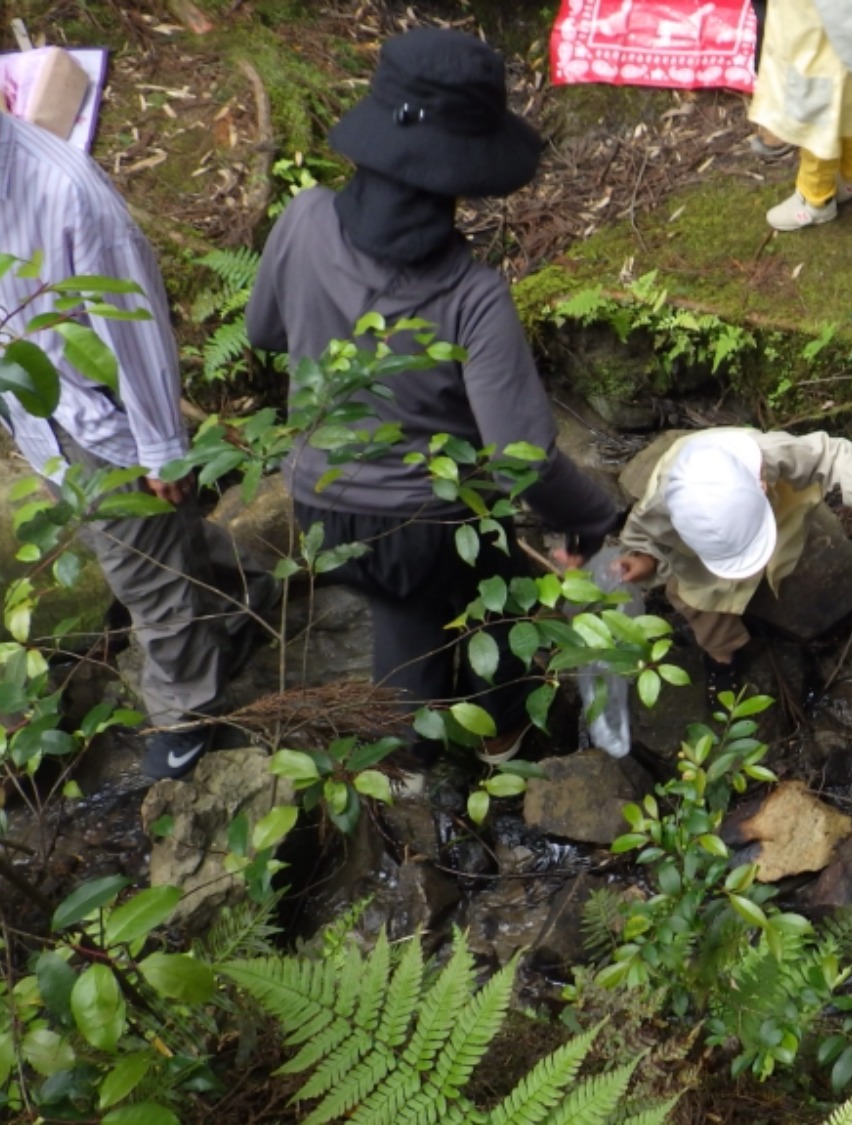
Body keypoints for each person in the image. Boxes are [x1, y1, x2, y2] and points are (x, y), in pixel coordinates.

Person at [247, 27, 623, 758]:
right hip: (425, 523)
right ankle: (503, 733)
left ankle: (408, 790)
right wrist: (595, 517)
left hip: (317, 505)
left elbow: (264, 332)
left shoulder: (302, 219)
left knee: (408, 611)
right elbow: (525, 460)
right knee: (509, 595)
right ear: (464, 173)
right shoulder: (472, 294)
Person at [0, 31, 266, 781]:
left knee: (146, 579)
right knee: (147, 548)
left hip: (103, 422)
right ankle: (251, 592)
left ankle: (188, 719)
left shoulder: (65, 194)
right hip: (34, 413)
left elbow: (137, 331)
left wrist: (161, 450)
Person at [616, 428, 852, 692]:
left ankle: (767, 561)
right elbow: (641, 536)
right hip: (699, 555)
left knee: (785, 539)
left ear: (762, 485)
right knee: (696, 600)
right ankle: (722, 654)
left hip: (771, 506)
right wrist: (645, 561)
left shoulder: (771, 454)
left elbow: (830, 454)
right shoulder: (662, 505)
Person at [747, 0, 852, 231]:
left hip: (820, 63)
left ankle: (816, 200)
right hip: (809, 49)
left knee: (817, 135)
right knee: (837, 123)